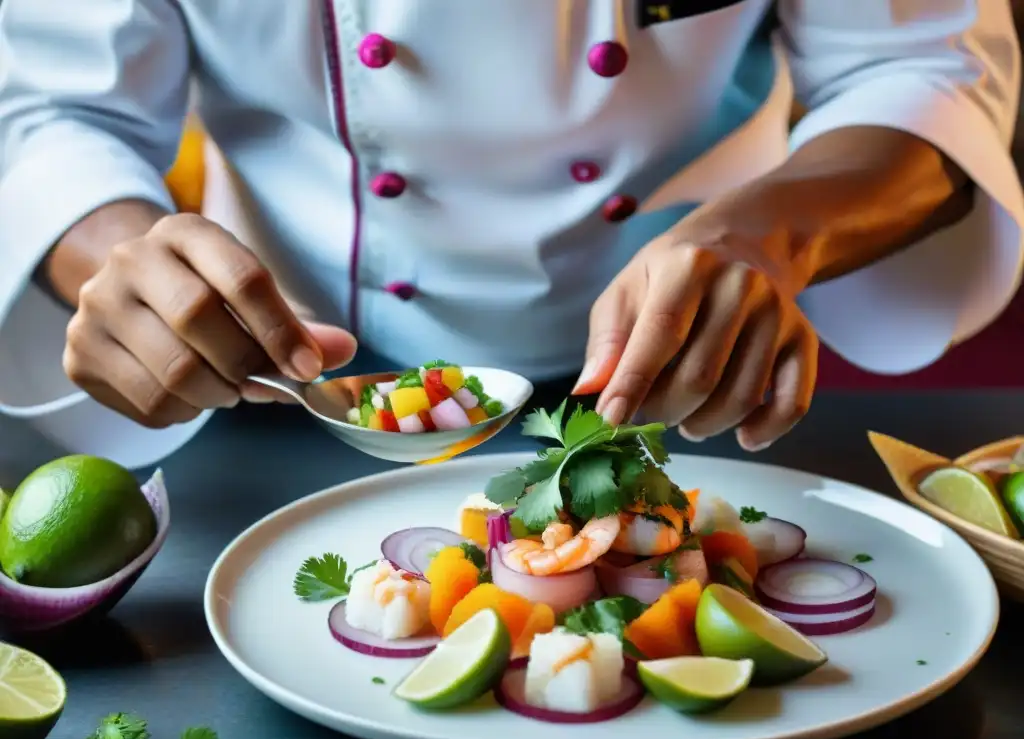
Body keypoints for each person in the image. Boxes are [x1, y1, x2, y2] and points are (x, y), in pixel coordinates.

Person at [0, 1, 1021, 471]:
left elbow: (925, 68)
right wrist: (116, 252)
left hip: (693, 389)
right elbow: (52, 106)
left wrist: (767, 237)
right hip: (282, 384)